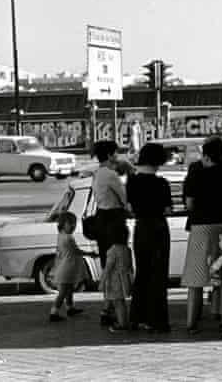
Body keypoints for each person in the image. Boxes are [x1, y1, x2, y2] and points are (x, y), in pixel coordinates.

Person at [180, 136, 222, 335]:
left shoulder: (196, 173)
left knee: (195, 279)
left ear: (206, 154)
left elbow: (189, 204)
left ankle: (191, 323)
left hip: (201, 226)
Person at [126, 142, 173, 333]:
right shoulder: (161, 183)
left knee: (143, 273)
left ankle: (137, 317)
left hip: (141, 228)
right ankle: (158, 320)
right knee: (159, 274)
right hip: (159, 228)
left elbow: (129, 207)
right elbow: (168, 209)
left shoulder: (132, 181)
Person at [91, 139, 128, 326]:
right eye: (115, 153)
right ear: (109, 155)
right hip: (113, 220)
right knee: (116, 264)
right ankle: (111, 307)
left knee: (108, 263)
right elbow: (124, 199)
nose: (118, 156)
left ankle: (107, 305)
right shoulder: (111, 175)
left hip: (101, 220)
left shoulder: (97, 174)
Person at [49, 211, 97, 322]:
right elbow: (76, 251)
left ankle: (70, 308)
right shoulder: (68, 238)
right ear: (62, 224)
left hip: (65, 267)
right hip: (67, 268)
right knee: (63, 292)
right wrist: (90, 254)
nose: (73, 226)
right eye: (70, 223)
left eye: (74, 224)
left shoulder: (61, 236)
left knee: (69, 289)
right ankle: (54, 312)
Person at [100, 222, 134, 333]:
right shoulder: (127, 249)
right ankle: (124, 321)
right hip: (125, 279)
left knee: (118, 303)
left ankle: (122, 324)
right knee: (122, 302)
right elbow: (130, 266)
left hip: (115, 281)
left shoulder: (113, 250)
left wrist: (102, 282)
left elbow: (108, 267)